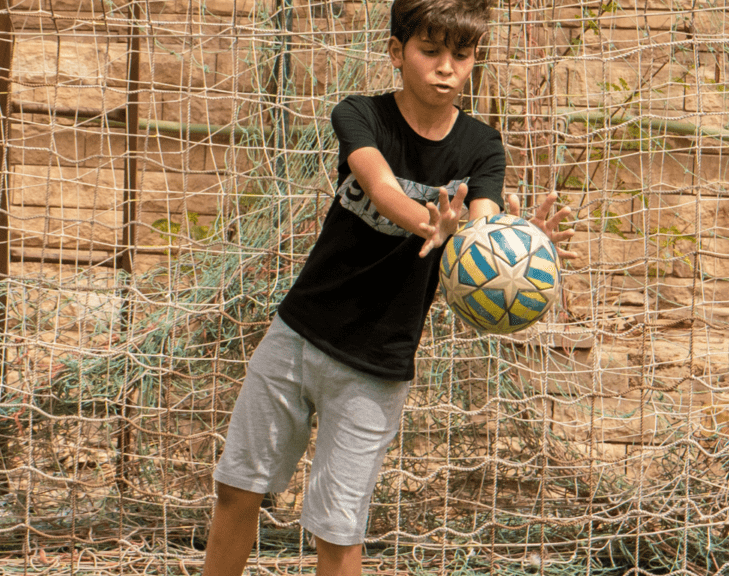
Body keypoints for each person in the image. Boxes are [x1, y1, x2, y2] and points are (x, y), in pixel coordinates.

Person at [200, 0, 575, 574]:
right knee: (238, 491)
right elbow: (377, 185)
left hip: (378, 365)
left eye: (462, 54)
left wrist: (521, 245)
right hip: (298, 335)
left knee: (337, 530)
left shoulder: (482, 148)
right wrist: (432, 224)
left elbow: (481, 222)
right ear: (397, 53)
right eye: (430, 51)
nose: (446, 67)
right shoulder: (360, 114)